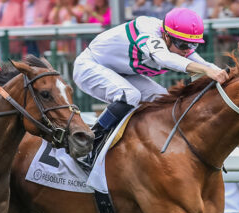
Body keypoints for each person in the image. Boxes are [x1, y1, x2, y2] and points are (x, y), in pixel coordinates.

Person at [72, 8, 228, 168]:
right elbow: (164, 58)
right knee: (130, 96)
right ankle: (89, 146)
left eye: (193, 45)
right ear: (166, 36)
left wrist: (222, 72)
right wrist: (206, 70)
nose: (187, 51)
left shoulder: (177, 43)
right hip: (90, 65)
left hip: (122, 72)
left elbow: (206, 65)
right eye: (183, 44)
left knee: (163, 101)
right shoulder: (147, 30)